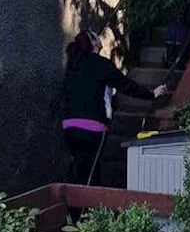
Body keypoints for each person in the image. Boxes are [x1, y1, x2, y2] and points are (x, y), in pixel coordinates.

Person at [62, 30, 166, 186]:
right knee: (93, 170)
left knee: (77, 166)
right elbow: (126, 85)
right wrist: (151, 94)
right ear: (94, 43)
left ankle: (73, 207)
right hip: (93, 126)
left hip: (69, 125)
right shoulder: (101, 64)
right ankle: (89, 206)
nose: (100, 38)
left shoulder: (72, 65)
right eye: (96, 36)